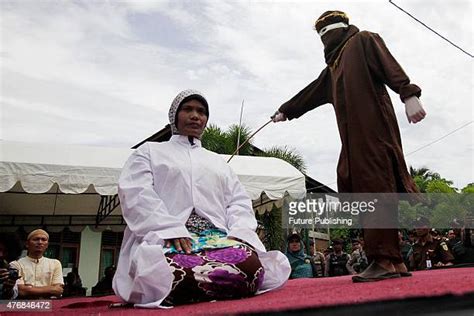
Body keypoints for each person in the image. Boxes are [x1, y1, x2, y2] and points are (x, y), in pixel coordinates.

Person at [272, 10, 426, 282]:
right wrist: (286, 110)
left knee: (375, 189)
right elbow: (309, 94)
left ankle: (385, 260)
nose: (324, 38)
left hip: (375, 134)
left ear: (342, 27)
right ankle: (392, 261)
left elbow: (388, 64)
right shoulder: (332, 70)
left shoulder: (363, 41)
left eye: (327, 31)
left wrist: (408, 94)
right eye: (319, 35)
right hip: (352, 143)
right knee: (352, 184)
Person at [113, 89, 291, 307]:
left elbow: (238, 200)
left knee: (250, 268)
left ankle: (196, 290)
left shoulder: (217, 162)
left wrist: (239, 233)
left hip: (218, 238)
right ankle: (200, 287)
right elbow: (136, 193)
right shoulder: (149, 152)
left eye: (201, 111)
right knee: (170, 272)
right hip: (167, 238)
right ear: (174, 116)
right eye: (188, 109)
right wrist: (168, 229)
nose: (195, 116)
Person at [10, 229, 64, 299]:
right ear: (27, 244)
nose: (40, 242)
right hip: (24, 306)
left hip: (48, 306)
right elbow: (21, 291)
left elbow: (58, 290)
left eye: (43, 240)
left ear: (47, 245)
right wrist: (50, 289)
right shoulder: (16, 264)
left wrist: (29, 289)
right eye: (36, 239)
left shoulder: (55, 264)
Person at [0, 233, 22, 299]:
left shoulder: (9, 270)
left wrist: (9, 289)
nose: (0, 254)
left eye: (5, 251)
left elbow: (11, 297)